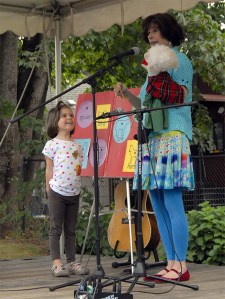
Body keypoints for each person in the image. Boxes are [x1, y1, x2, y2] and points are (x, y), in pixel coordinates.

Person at [114, 13, 194, 282]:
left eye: (156, 30)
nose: (150, 35)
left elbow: (180, 97)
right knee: (157, 203)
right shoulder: (153, 68)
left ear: (169, 32)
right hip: (153, 136)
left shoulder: (179, 60)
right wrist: (127, 94)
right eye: (148, 31)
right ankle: (170, 262)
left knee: (171, 199)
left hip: (173, 133)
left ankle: (181, 265)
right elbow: (145, 105)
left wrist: (159, 73)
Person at [42, 101, 89, 277]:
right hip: (57, 192)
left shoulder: (77, 145)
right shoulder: (52, 144)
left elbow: (77, 168)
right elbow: (49, 168)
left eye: (71, 115)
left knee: (71, 229)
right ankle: (56, 264)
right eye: (64, 115)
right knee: (56, 228)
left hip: (74, 193)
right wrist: (49, 190)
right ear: (55, 121)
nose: (69, 118)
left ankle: (72, 262)